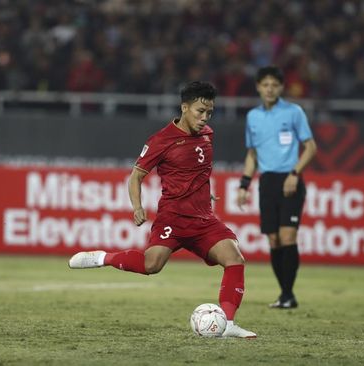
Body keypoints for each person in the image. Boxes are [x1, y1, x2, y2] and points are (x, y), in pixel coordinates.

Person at [68, 81, 256, 338]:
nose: (204, 118)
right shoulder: (161, 140)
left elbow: (197, 170)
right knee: (151, 265)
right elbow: (135, 176)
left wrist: (203, 190)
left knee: (234, 259)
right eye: (200, 111)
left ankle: (229, 325)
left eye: (209, 113)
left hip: (203, 219)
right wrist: (137, 207)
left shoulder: (207, 134)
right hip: (174, 218)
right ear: (184, 107)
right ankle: (103, 258)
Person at [237, 66, 317, 309]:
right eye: (265, 84)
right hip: (267, 181)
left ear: (281, 88)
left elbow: (311, 147)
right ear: (258, 87)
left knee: (287, 236)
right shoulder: (253, 117)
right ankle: (285, 295)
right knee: (273, 239)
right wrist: (244, 184)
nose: (269, 89)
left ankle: (288, 294)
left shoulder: (294, 112)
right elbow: (252, 154)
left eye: (274, 84)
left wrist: (295, 173)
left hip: (290, 180)